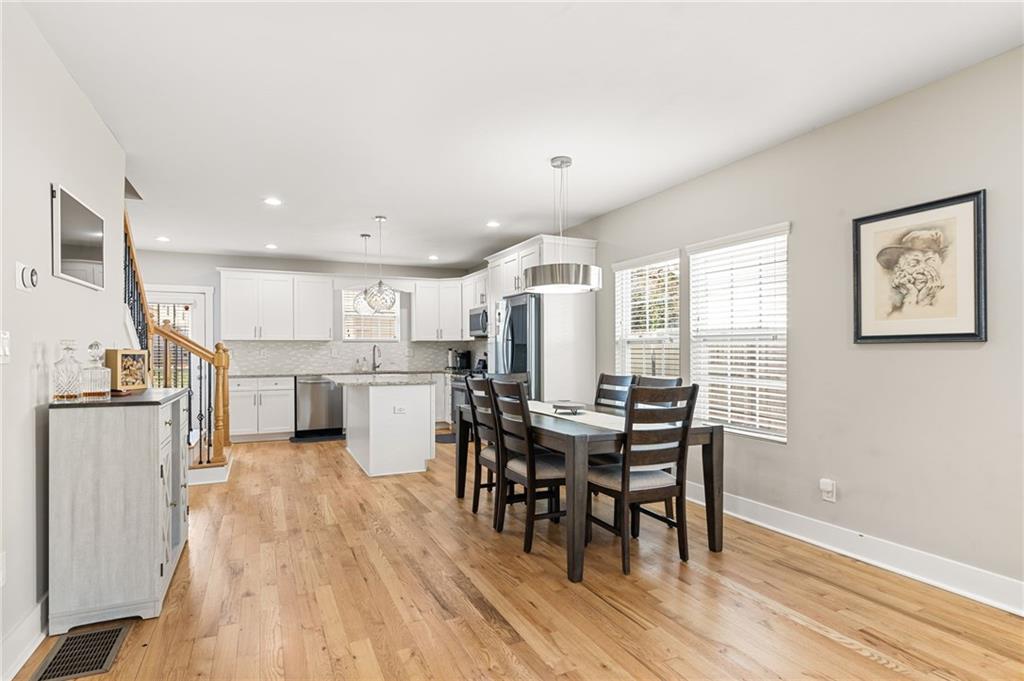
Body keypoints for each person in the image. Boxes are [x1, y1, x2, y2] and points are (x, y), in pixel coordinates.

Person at [876, 229, 948, 314]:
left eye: (930, 261)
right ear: (898, 270)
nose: (922, 269)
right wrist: (911, 296)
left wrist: (926, 297)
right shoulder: (888, 312)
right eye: (914, 263)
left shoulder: (947, 306)